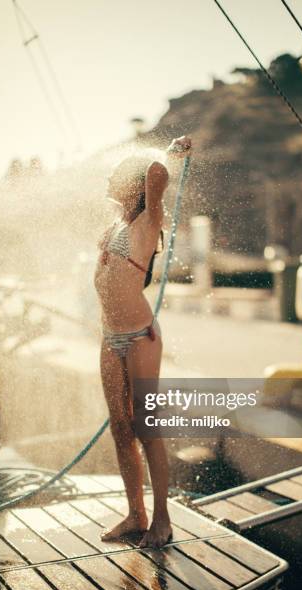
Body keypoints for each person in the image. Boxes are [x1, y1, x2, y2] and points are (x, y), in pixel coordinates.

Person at [94, 136, 192, 548]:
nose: (110, 176)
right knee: (120, 429)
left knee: (145, 426)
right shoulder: (117, 223)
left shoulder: (149, 221)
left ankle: (163, 521)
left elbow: (158, 173)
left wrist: (168, 153)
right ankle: (136, 514)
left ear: (135, 182)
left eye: (119, 173)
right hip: (110, 336)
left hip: (140, 337)